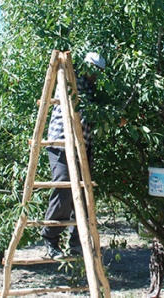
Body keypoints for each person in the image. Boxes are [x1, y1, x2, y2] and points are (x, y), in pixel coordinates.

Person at [41, 52, 106, 260]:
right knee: (64, 188)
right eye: (95, 70)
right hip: (61, 142)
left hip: (83, 146)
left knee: (84, 195)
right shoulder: (72, 79)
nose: (96, 75)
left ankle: (77, 242)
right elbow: (81, 109)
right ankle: (49, 237)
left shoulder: (92, 88)